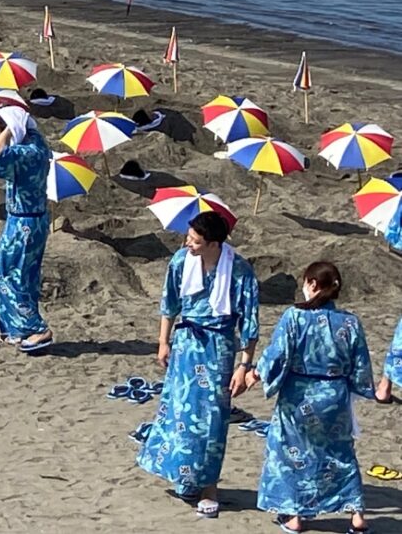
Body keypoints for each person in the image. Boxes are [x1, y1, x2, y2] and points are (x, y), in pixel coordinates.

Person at [135, 212, 260, 519]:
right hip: (186, 345)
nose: (188, 244)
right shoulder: (180, 261)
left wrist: (244, 366)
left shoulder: (240, 270)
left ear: (213, 243)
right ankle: (186, 476)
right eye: (189, 238)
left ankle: (209, 487)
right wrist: (163, 342)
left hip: (218, 346)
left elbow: (250, 324)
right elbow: (170, 304)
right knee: (180, 411)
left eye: (195, 241)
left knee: (213, 419)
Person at [256, 261, 374, 533]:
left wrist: (258, 374)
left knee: (291, 453)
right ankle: (357, 517)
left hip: (299, 395)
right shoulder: (350, 322)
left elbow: (277, 355)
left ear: (311, 284)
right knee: (341, 453)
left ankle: (295, 516)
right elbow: (361, 366)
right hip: (335, 396)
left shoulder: (294, 316)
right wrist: (358, 389)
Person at [0, 99, 54, 352]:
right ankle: (16, 328)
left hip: (25, 221)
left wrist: (9, 128)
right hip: (27, 218)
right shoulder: (34, 144)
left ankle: (36, 328)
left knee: (11, 275)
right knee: (21, 274)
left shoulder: (26, 152)